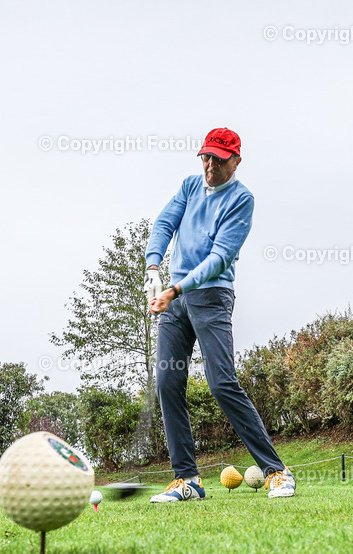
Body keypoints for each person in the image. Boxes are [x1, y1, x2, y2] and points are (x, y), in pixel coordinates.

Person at [144, 127, 295, 502]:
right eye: (206, 157)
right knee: (167, 381)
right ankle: (188, 480)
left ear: (236, 161)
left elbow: (220, 257)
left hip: (210, 295)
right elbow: (164, 223)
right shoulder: (190, 186)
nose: (210, 165)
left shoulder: (241, 199)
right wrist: (153, 267)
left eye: (220, 159)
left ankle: (277, 472)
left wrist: (175, 289)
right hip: (175, 298)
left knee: (221, 382)